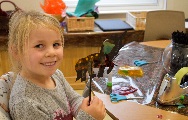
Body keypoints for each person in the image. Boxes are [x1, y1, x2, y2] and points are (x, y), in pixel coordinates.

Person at [8, 10, 106, 120]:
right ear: (16, 52)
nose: (51, 52)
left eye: (56, 44)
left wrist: (87, 106)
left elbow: (73, 99)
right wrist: (88, 117)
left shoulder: (56, 75)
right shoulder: (25, 103)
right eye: (39, 46)